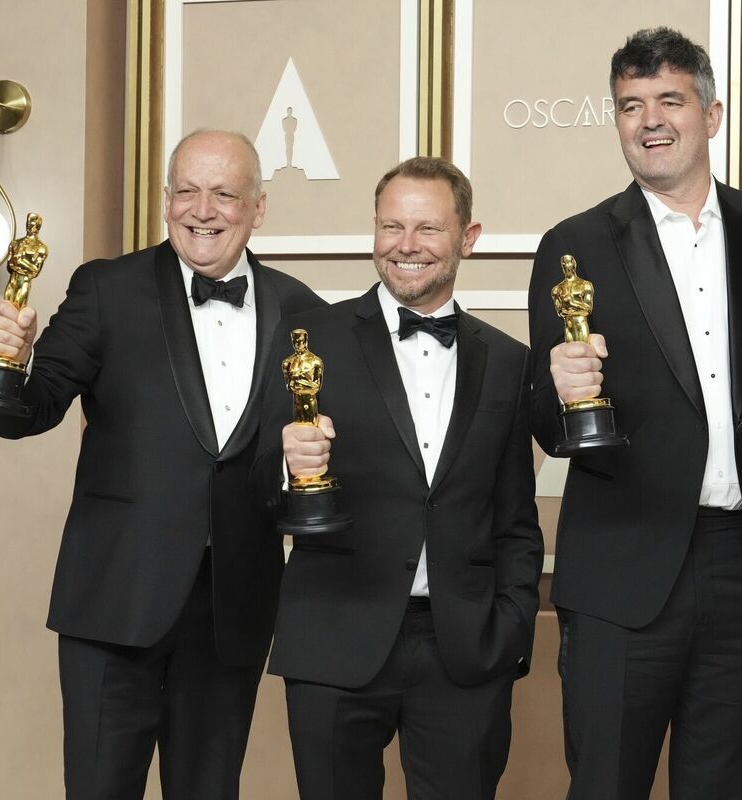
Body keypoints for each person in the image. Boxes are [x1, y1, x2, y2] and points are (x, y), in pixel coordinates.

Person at [0, 129, 325, 799]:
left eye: (224, 193)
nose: (203, 208)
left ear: (258, 208)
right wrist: (7, 362)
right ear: (165, 200)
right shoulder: (107, 288)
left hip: (232, 610)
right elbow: (28, 411)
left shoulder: (301, 310)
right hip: (113, 602)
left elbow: (304, 455)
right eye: (187, 190)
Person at [527, 27, 742, 800]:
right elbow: (544, 416)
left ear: (712, 113)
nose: (650, 120)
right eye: (631, 105)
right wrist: (557, 390)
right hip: (622, 570)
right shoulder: (575, 245)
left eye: (670, 100)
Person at [253, 156, 543, 800]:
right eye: (392, 227)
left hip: (465, 649)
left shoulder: (506, 360)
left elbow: (515, 518)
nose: (406, 246)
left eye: (428, 229)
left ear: (468, 238)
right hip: (335, 636)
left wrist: (510, 626)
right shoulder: (307, 340)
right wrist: (285, 466)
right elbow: (255, 488)